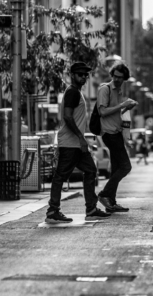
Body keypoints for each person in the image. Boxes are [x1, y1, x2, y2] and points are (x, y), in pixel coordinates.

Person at [46, 62, 111, 223]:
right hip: (70, 143)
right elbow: (68, 117)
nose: (83, 77)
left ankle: (91, 208)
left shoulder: (77, 92)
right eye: (80, 74)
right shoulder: (72, 93)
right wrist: (81, 138)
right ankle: (52, 211)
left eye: (85, 75)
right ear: (72, 75)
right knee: (60, 176)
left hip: (76, 144)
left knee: (90, 170)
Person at [96, 62, 137, 213]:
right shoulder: (104, 89)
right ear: (111, 75)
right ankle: (104, 194)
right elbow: (103, 112)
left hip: (117, 133)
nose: (117, 79)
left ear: (125, 78)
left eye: (120, 77)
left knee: (115, 170)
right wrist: (122, 105)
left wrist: (127, 107)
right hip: (109, 134)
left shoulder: (118, 92)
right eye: (115, 76)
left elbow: (116, 114)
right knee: (126, 167)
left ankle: (111, 203)